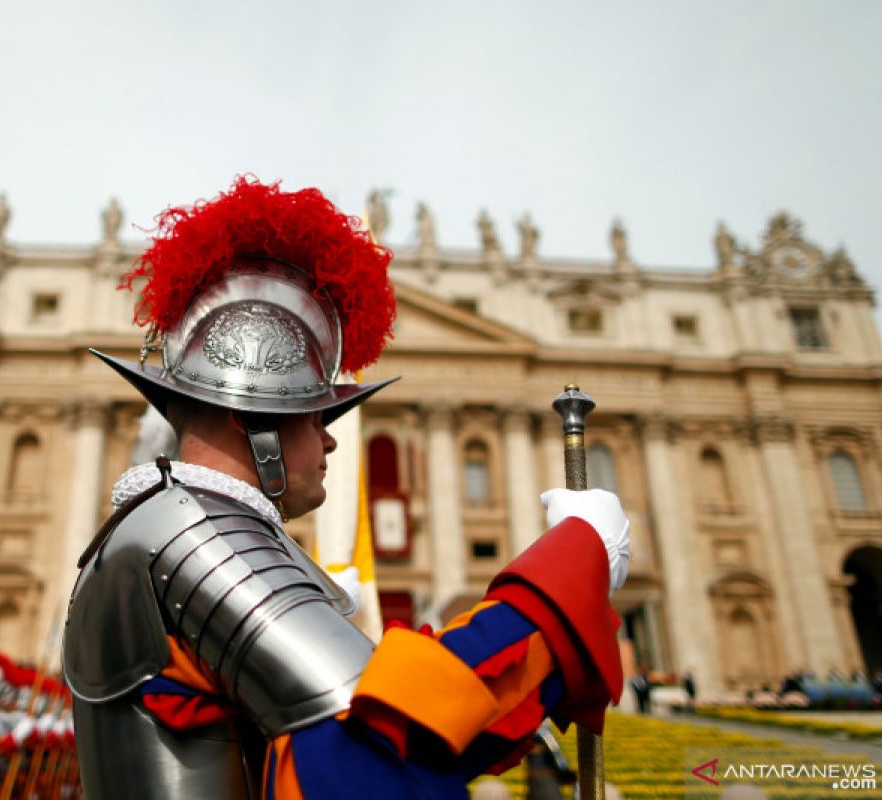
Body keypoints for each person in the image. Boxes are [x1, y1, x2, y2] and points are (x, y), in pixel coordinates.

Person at [62, 177, 631, 799]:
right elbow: (387, 731)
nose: (331, 442)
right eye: (317, 418)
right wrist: (576, 561)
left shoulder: (165, 524)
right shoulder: (197, 534)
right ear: (255, 422)